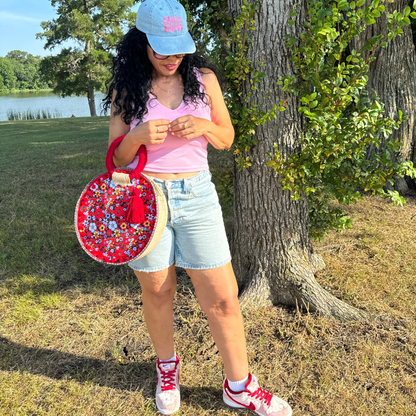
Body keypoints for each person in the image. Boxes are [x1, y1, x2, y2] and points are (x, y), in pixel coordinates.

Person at [103, 0, 292, 415]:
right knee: (157, 290)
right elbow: (115, 158)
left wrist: (205, 126)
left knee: (223, 298)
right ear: (142, 44)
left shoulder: (203, 79)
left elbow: (226, 137)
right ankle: (166, 368)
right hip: (144, 200)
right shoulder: (126, 89)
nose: (172, 58)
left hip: (198, 198)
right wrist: (135, 137)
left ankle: (239, 387)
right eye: (161, 49)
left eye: (178, 48)